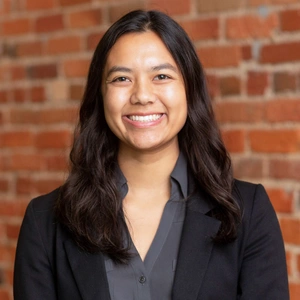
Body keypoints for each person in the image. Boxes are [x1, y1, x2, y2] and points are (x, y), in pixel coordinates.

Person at [14, 10, 289, 300]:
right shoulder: (45, 222)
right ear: (101, 95)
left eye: (161, 76)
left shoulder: (248, 211)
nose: (142, 95)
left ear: (189, 89)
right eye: (121, 78)